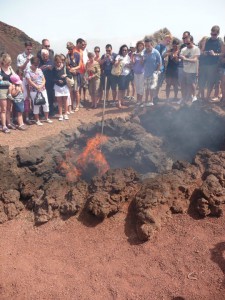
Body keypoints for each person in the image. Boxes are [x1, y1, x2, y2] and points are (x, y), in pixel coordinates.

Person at [25, 56, 53, 125]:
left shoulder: (39, 70)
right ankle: (37, 120)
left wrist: (41, 86)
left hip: (43, 89)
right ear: (31, 64)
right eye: (35, 65)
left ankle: (46, 118)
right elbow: (29, 81)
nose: (36, 66)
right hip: (34, 91)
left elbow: (44, 79)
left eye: (37, 65)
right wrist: (37, 87)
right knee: (36, 105)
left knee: (46, 104)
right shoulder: (28, 71)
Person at [202, 25, 223, 101]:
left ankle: (215, 96)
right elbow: (202, 51)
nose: (213, 36)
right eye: (211, 34)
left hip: (216, 64)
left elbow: (223, 53)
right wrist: (205, 53)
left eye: (214, 34)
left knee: (216, 81)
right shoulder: (207, 40)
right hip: (206, 64)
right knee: (209, 81)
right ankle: (207, 97)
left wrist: (215, 54)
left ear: (218, 34)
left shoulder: (220, 42)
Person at [17, 40, 34, 125]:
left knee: (29, 98)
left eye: (30, 49)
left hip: (31, 79)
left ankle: (28, 116)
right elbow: (20, 69)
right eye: (28, 49)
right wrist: (27, 61)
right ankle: (20, 117)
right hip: (23, 79)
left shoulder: (32, 56)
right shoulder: (20, 56)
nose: (29, 51)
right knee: (23, 97)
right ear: (25, 48)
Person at [179, 35, 200, 103]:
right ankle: (186, 97)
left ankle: (194, 96)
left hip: (192, 70)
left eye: (188, 43)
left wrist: (186, 59)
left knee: (192, 84)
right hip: (185, 69)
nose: (187, 45)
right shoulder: (183, 49)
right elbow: (181, 56)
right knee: (185, 84)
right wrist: (185, 58)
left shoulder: (196, 49)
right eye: (186, 43)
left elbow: (195, 60)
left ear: (192, 41)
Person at [143, 38, 162, 106]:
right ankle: (145, 101)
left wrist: (157, 71)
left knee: (152, 88)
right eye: (146, 46)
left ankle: (151, 101)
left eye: (148, 46)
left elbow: (159, 62)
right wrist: (142, 59)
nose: (147, 47)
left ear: (151, 45)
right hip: (146, 73)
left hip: (153, 73)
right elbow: (142, 63)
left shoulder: (156, 52)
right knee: (146, 88)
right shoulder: (144, 52)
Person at [0, 53, 16, 133]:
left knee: (9, 108)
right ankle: (4, 126)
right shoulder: (0, 68)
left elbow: (15, 76)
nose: (9, 64)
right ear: (3, 61)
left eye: (9, 62)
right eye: (7, 62)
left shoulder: (10, 68)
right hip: (2, 90)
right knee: (3, 109)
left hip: (10, 90)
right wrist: (9, 83)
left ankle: (8, 123)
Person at [52, 54, 70, 121]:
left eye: (60, 62)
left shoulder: (65, 67)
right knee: (59, 101)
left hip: (65, 86)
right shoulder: (54, 69)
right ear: (55, 62)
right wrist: (57, 80)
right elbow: (52, 78)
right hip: (57, 86)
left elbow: (70, 75)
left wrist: (66, 75)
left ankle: (65, 114)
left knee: (65, 100)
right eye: (57, 62)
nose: (59, 64)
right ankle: (60, 114)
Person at [154, 34, 172, 100]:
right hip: (157, 68)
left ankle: (156, 96)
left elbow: (163, 57)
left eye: (169, 41)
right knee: (155, 84)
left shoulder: (165, 48)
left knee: (159, 84)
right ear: (164, 39)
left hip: (162, 67)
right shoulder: (158, 47)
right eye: (167, 40)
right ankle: (153, 97)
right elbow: (156, 58)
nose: (168, 42)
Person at [114, 44, 132, 109]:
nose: (124, 51)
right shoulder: (118, 56)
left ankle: (122, 101)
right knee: (120, 89)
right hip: (121, 75)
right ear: (121, 50)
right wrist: (119, 61)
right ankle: (119, 103)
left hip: (127, 74)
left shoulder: (128, 57)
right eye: (123, 50)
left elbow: (131, 66)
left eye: (126, 50)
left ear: (127, 51)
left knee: (124, 89)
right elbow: (115, 65)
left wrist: (127, 65)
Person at [66, 42, 81, 112]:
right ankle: (71, 105)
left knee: (76, 91)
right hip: (70, 75)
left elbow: (80, 65)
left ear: (73, 48)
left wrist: (74, 69)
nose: (70, 50)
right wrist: (70, 69)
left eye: (71, 48)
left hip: (77, 74)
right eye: (69, 49)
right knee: (71, 91)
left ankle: (77, 105)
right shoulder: (67, 55)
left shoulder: (77, 55)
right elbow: (67, 65)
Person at [39, 49, 55, 115]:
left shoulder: (52, 62)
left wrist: (51, 68)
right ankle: (43, 112)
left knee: (50, 97)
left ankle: (51, 111)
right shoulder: (40, 63)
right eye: (43, 56)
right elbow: (35, 70)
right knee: (43, 98)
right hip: (42, 83)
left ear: (48, 55)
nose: (45, 57)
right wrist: (40, 68)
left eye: (46, 56)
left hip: (50, 82)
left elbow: (55, 70)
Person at [131, 40, 145, 105]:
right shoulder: (135, 53)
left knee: (141, 87)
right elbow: (133, 62)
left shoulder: (144, 53)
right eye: (139, 45)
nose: (140, 46)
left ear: (143, 46)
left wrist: (141, 56)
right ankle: (138, 100)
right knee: (137, 86)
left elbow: (142, 63)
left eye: (141, 45)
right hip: (136, 72)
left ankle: (140, 100)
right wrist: (133, 56)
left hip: (142, 72)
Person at [73, 38, 86, 108]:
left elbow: (82, 61)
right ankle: (74, 102)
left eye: (84, 44)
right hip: (77, 72)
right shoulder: (74, 51)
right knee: (76, 88)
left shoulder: (81, 51)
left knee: (80, 87)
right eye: (82, 44)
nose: (83, 46)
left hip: (82, 71)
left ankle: (79, 101)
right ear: (78, 43)